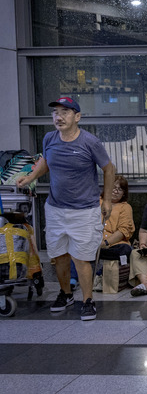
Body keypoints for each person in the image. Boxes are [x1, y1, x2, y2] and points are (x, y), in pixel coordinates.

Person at [16, 96, 115, 321]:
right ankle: (66, 293)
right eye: (55, 112)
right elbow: (47, 162)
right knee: (59, 256)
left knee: (81, 258)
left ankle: (88, 300)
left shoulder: (90, 142)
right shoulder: (49, 138)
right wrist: (29, 177)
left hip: (84, 210)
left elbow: (109, 169)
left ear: (77, 117)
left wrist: (107, 200)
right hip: (55, 209)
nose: (58, 117)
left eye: (65, 112)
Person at [92, 175, 135, 292]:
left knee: (125, 251)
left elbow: (123, 230)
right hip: (94, 241)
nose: (116, 191)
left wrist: (105, 242)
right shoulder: (96, 202)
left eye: (120, 189)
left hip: (114, 244)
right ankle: (73, 281)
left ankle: (101, 275)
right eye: (113, 187)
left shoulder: (125, 207)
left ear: (124, 193)